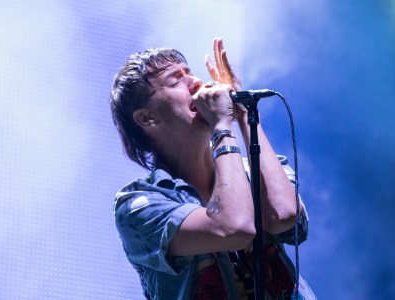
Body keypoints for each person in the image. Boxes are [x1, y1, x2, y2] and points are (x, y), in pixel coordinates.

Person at [110, 37, 314, 299]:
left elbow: (284, 216)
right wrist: (221, 125)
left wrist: (242, 116)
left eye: (190, 73)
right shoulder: (139, 206)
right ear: (148, 118)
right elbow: (233, 228)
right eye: (175, 81)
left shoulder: (253, 170)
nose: (196, 83)